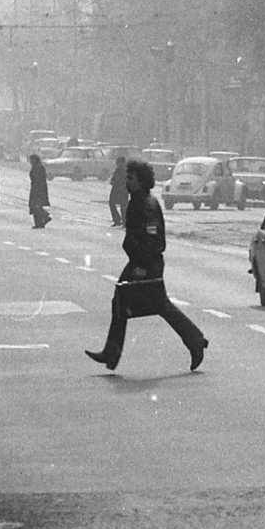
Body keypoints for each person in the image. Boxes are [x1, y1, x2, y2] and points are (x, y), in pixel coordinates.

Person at [86, 159, 208, 371]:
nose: (127, 182)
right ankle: (111, 353)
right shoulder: (138, 200)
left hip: (146, 262)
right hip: (140, 261)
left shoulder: (146, 204)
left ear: (141, 181)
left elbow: (152, 238)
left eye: (131, 178)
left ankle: (195, 341)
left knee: (156, 305)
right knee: (128, 303)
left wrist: (142, 266)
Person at [27, 153, 51, 228]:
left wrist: (37, 189)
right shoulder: (36, 167)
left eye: (31, 160)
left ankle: (45, 215)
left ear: (35, 160)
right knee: (35, 206)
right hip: (37, 189)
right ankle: (39, 223)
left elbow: (38, 179)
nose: (30, 162)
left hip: (38, 190)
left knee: (36, 206)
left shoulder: (39, 167)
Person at [107, 154, 127, 226]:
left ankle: (124, 222)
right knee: (112, 203)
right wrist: (113, 182)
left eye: (119, 163)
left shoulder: (126, 171)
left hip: (123, 190)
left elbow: (127, 181)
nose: (117, 164)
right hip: (115, 189)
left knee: (123, 206)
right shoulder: (117, 170)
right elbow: (113, 179)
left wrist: (123, 185)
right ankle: (117, 220)